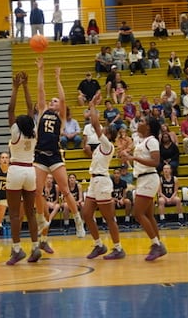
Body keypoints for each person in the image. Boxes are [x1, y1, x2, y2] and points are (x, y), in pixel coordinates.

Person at [34, 57, 85, 238]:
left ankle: (78, 220)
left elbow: (62, 99)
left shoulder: (61, 117)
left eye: (54, 101)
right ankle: (41, 220)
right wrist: (41, 69)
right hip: (39, 155)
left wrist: (57, 79)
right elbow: (40, 90)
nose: (53, 102)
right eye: (52, 101)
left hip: (54, 155)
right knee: (36, 192)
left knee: (64, 190)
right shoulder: (42, 112)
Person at [82, 93, 126, 260]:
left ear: (109, 134)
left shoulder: (108, 145)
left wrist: (92, 105)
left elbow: (94, 123)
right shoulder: (102, 145)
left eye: (106, 129)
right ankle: (99, 245)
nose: (103, 128)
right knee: (86, 213)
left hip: (102, 181)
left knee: (109, 218)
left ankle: (118, 248)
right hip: (94, 181)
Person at [4, 71, 41, 265]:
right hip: (30, 171)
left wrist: (15, 87)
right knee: (31, 212)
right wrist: (27, 86)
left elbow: (11, 110)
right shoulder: (32, 131)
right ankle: (35, 247)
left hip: (16, 170)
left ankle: (17, 249)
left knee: (15, 214)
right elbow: (29, 108)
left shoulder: (16, 132)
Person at [123, 116, 166, 261]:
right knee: (148, 215)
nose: (139, 123)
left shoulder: (152, 141)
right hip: (142, 178)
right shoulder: (143, 141)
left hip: (149, 177)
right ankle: (158, 245)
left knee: (138, 213)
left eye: (142, 121)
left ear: (148, 127)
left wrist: (133, 158)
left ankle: (156, 244)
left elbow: (155, 162)